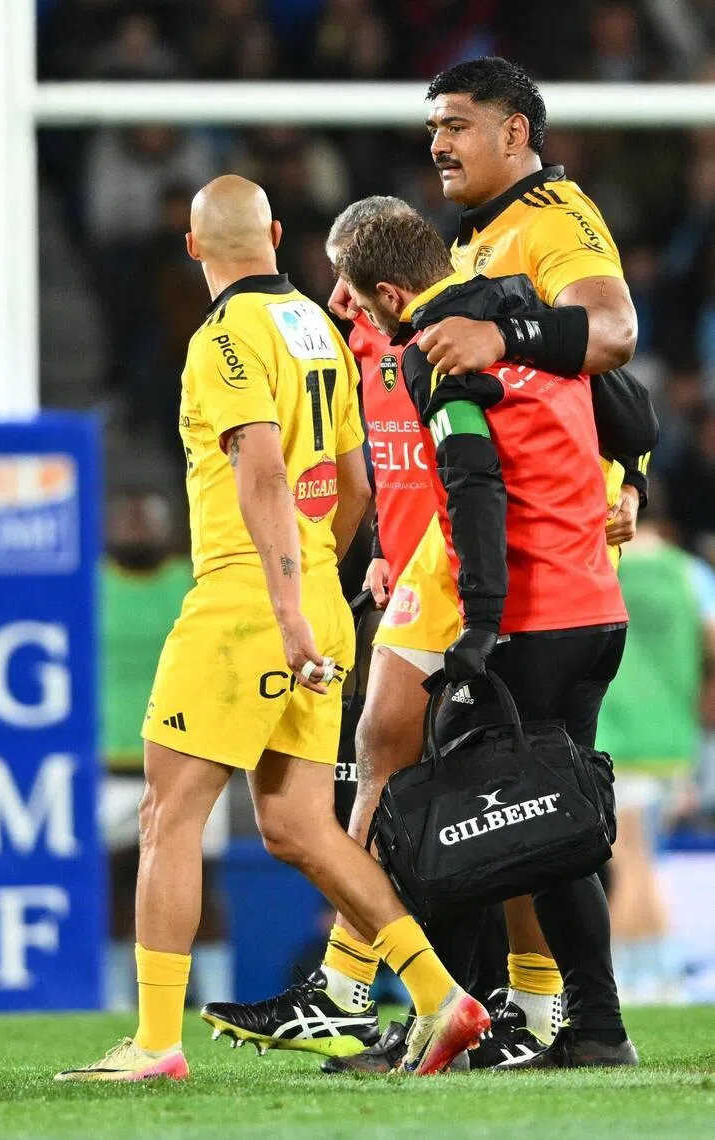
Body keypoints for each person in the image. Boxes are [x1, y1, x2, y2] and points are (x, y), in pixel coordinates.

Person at [208, 57, 651, 1073]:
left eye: (457, 123)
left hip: (515, 577)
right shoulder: (472, 250)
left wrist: (613, 470)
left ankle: (464, 1001)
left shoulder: (552, 226)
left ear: (516, 131)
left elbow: (616, 343)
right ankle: (499, 1007)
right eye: (433, 127)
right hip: (477, 568)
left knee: (486, 794)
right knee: (475, 786)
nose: (440, 142)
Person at [55, 175, 489, 1082]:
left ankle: (155, 1042)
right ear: (278, 235)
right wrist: (316, 588)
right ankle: (442, 995)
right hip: (317, 597)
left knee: (167, 815)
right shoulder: (321, 328)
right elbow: (356, 482)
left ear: (192, 248)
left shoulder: (223, 339)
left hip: (247, 602)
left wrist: (284, 610)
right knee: (300, 828)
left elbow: (260, 471)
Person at [340, 204, 641, 1069]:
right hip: (595, 606)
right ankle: (593, 1028)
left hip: (531, 615)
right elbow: (636, 417)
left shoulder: (440, 349)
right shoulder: (534, 319)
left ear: (389, 295)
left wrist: (478, 622)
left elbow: (471, 483)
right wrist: (633, 487)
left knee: (460, 815)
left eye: (357, 299)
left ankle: (452, 1021)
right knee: (551, 829)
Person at [98, 490, 234, 1012]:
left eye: (146, 520)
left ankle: (216, 996)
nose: (136, 529)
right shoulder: (90, 588)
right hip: (110, 763)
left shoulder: (194, 583)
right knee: (117, 883)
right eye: (127, 519)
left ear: (168, 528)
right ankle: (119, 1001)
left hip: (191, 758)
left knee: (203, 880)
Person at [595, 505, 715, 1003]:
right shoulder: (690, 574)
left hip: (609, 732)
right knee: (640, 857)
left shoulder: (603, 564)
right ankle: (655, 973)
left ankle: (634, 977)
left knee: (626, 862)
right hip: (669, 740)